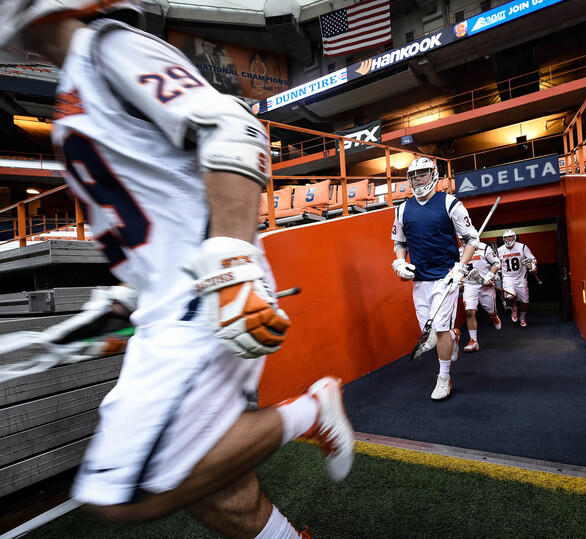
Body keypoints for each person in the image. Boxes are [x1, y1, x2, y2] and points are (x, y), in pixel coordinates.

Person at [0, 2, 355, 538]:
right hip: (168, 303)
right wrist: (111, 316)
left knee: (125, 490)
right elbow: (150, 223)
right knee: (208, 480)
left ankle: (311, 410)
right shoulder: (73, 87)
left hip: (204, 291)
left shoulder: (109, 49)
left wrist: (231, 260)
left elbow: (236, 128)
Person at [391, 157, 478, 400]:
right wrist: (400, 261)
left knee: (438, 331)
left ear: (433, 175)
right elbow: (400, 242)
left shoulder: (450, 203)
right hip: (420, 279)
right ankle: (455, 335)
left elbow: (471, 239)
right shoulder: (403, 209)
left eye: (422, 174)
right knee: (428, 334)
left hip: (446, 277)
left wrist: (460, 268)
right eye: (414, 175)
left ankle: (444, 378)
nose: (418, 179)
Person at [461, 239, 502, 352]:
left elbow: (497, 262)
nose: (462, 241)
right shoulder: (459, 251)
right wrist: (460, 279)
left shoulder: (483, 248)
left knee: (491, 310)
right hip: (470, 286)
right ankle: (473, 341)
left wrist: (490, 275)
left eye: (464, 238)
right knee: (469, 312)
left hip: (485, 285)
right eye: (460, 239)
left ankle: (493, 316)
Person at [497, 230, 537, 327]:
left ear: (514, 237)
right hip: (508, 277)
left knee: (524, 301)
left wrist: (533, 267)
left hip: (520, 277)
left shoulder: (522, 247)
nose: (507, 239)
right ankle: (513, 307)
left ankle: (522, 317)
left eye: (510, 237)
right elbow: (497, 264)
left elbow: (532, 259)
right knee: (510, 297)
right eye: (505, 237)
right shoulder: (499, 250)